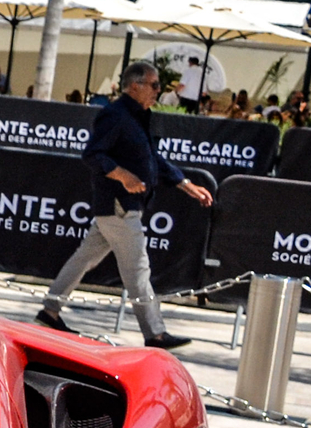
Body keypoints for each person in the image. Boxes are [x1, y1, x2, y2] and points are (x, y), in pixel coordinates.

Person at [35, 61, 209, 350]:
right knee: (138, 270)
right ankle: (155, 334)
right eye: (154, 85)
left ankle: (49, 311)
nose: (158, 91)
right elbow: (93, 155)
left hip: (119, 206)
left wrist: (185, 183)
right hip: (118, 205)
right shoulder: (115, 115)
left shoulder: (140, 116)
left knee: (82, 259)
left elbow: (154, 160)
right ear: (134, 85)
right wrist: (122, 175)